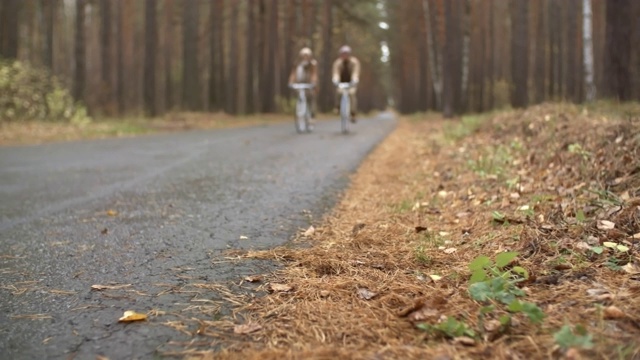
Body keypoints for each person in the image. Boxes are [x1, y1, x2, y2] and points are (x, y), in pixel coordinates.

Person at [288, 47, 318, 123]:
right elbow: (293, 74)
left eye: (307, 56)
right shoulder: (297, 64)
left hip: (309, 83)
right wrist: (291, 82)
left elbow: (314, 74)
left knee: (310, 96)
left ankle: (312, 115)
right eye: (304, 56)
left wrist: (313, 82)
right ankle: (299, 111)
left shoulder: (312, 64)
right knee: (299, 95)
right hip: (299, 83)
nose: (305, 57)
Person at [332, 45, 361, 123]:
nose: (344, 56)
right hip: (341, 83)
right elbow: (336, 73)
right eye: (343, 54)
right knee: (339, 92)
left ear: (349, 54)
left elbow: (355, 72)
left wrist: (355, 79)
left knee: (352, 94)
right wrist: (335, 80)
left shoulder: (354, 62)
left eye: (346, 54)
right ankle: (337, 108)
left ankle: (353, 113)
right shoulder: (337, 63)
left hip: (351, 83)